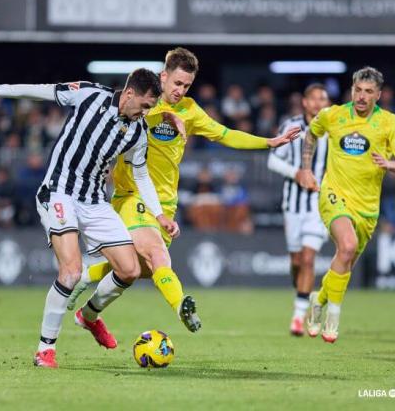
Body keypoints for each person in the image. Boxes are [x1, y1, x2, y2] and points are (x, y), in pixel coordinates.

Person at [67, 48, 300, 333]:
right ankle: (181, 306)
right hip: (132, 196)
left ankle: (87, 305)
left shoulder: (190, 110)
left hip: (166, 204)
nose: (180, 90)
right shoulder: (144, 101)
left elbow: (225, 134)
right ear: (163, 76)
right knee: (155, 254)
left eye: (186, 85)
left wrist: (269, 142)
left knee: (139, 269)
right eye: (177, 83)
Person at [0, 69, 179, 369]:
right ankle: (44, 350)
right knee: (72, 271)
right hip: (59, 192)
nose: (146, 112)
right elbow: (42, 89)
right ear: (129, 94)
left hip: (94, 201)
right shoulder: (89, 94)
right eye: (144, 105)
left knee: (129, 270)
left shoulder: (137, 132)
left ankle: (88, 316)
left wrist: (159, 214)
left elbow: (140, 173)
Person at [297, 67, 395, 343]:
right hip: (334, 195)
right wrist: (306, 169)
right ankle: (333, 318)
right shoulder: (333, 115)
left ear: (379, 95)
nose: (362, 96)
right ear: (351, 90)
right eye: (358, 90)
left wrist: (389, 164)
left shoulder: (389, 123)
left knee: (345, 260)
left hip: (367, 209)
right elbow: (310, 135)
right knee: (346, 247)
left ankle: (318, 299)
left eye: (368, 92)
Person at [267, 83, 330, 337]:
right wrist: (298, 173)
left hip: (320, 205)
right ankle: (303, 295)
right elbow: (273, 159)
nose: (318, 103)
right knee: (296, 262)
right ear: (304, 102)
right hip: (293, 205)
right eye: (313, 99)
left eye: (322, 99)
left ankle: (298, 316)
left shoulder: (333, 128)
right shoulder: (290, 126)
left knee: (308, 258)